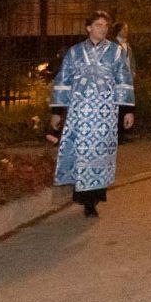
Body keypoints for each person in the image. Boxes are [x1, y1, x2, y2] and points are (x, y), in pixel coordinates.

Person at [50, 11, 135, 218]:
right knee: (81, 152)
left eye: (105, 25)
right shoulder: (74, 52)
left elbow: (124, 80)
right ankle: (84, 199)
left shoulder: (116, 52)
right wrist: (56, 112)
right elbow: (63, 81)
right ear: (89, 28)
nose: (103, 29)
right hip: (79, 113)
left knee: (100, 154)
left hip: (105, 113)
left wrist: (128, 110)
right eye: (98, 25)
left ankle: (94, 198)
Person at [109, 20, 136, 144]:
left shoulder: (127, 45)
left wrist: (133, 72)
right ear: (118, 30)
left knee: (126, 106)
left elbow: (131, 61)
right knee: (118, 108)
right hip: (117, 81)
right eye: (124, 29)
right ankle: (117, 135)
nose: (126, 31)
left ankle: (124, 133)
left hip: (127, 80)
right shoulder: (113, 45)